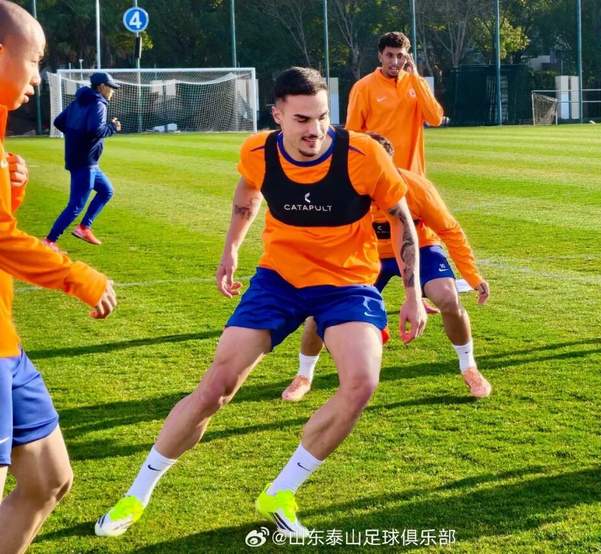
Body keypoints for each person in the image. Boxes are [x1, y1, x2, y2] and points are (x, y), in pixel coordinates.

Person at [95, 67, 426, 539]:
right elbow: (247, 192)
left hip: (347, 282)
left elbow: (401, 218)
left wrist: (412, 293)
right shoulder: (257, 151)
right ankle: (137, 494)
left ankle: (282, 490)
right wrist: (231, 249)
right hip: (279, 280)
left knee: (361, 383)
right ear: (278, 116)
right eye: (302, 119)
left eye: (323, 117)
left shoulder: (363, 153)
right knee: (217, 387)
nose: (315, 129)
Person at [0, 3, 117, 552]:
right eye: (35, 59)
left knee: (49, 480)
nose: (39, 75)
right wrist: (79, 278)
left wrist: (13, 187)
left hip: (7, 344)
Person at [283, 133, 491, 403]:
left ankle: (469, 367)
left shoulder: (416, 187)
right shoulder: (342, 189)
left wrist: (471, 275)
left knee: (448, 298)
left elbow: (449, 230)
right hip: (366, 253)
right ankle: (304, 375)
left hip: (419, 247)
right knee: (322, 307)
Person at [345, 31, 444, 177]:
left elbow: (435, 119)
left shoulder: (417, 83)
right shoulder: (363, 87)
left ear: (407, 57)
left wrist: (415, 80)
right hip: (379, 172)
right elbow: (352, 134)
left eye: (400, 56)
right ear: (380, 56)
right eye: (389, 55)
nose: (395, 62)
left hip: (413, 175)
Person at [43, 71, 122, 252]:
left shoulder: (78, 101)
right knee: (76, 205)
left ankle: (84, 228)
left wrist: (76, 137)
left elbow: (58, 122)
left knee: (106, 191)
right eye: (111, 88)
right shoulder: (99, 104)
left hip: (82, 160)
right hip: (86, 162)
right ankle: (49, 241)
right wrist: (112, 128)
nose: (113, 91)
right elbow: (95, 130)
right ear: (101, 87)